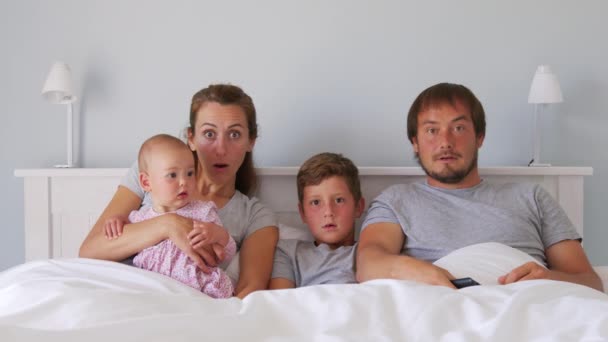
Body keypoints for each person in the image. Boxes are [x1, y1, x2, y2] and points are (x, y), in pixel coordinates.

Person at [356, 82, 603, 291]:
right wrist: (426, 273)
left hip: (529, 305)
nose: (445, 142)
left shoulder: (531, 197)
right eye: (432, 130)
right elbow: (368, 265)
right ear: (415, 143)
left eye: (459, 128)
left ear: (480, 137)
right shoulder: (395, 201)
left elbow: (590, 283)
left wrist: (548, 279)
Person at [80, 84, 279, 298]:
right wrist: (168, 224)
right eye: (209, 133)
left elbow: (249, 293)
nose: (221, 149)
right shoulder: (155, 171)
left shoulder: (256, 216)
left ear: (251, 141)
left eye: (234, 134)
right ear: (191, 138)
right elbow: (90, 250)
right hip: (130, 294)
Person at [104, 134, 236, 298]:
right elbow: (121, 245)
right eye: (172, 175)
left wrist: (218, 234)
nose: (184, 182)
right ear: (146, 183)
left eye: (189, 173)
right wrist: (116, 222)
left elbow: (227, 254)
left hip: (198, 287)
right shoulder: (140, 218)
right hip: (153, 289)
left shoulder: (203, 212)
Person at [269, 152, 365, 289]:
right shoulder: (289, 253)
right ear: (303, 213)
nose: (328, 212)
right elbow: (280, 302)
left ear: (358, 207)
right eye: (315, 202)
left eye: (339, 200)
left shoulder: (371, 252)